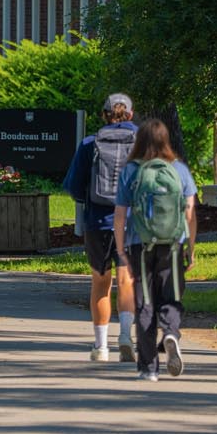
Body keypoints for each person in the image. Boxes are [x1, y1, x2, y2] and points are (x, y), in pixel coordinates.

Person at [112, 118, 198, 381]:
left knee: (145, 301)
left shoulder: (131, 171)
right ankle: (170, 332)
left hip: (141, 243)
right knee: (171, 294)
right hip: (173, 243)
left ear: (139, 141)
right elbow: (190, 212)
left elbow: (119, 215)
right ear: (166, 140)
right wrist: (190, 248)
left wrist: (121, 249)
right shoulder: (179, 170)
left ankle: (148, 368)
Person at [62, 92, 140, 363]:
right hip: (132, 221)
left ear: (104, 115)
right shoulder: (143, 141)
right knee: (127, 279)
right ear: (130, 114)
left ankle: (101, 347)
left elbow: (73, 186)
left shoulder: (89, 143)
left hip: (98, 222)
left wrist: (88, 201)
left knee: (100, 282)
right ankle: (126, 337)